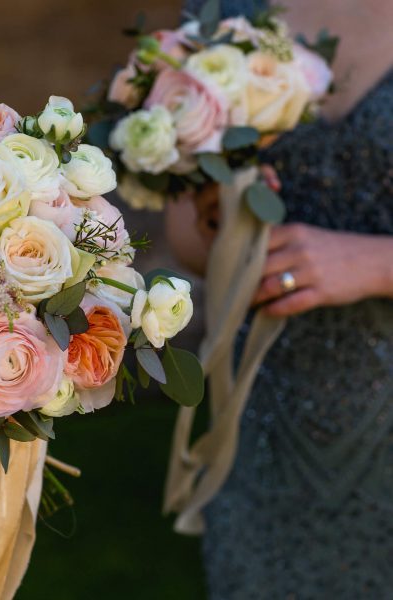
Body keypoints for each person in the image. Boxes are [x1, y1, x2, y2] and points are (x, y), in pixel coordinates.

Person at [167, 0, 393, 597]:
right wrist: (224, 224)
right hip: (267, 421)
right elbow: (186, 235)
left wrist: (376, 264)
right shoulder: (224, 14)